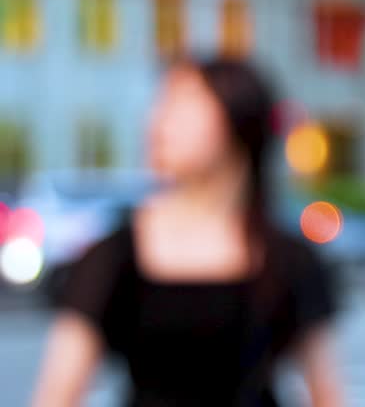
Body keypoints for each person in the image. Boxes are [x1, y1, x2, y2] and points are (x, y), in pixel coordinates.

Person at [31, 58, 344, 407]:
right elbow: (56, 395)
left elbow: (327, 394)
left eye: (183, 103)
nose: (159, 120)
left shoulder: (288, 260)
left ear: (238, 117)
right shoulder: (113, 257)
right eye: (161, 103)